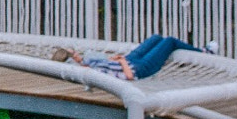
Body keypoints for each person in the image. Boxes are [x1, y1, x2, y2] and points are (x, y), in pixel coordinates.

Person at [54, 34, 196, 80]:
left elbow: (107, 63)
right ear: (72, 60)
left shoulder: (87, 62)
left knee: (155, 38)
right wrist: (122, 62)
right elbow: (129, 77)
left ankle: (200, 49)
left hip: (129, 60)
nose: (77, 53)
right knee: (169, 41)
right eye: (74, 54)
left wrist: (114, 59)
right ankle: (203, 51)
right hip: (140, 68)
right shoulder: (93, 73)